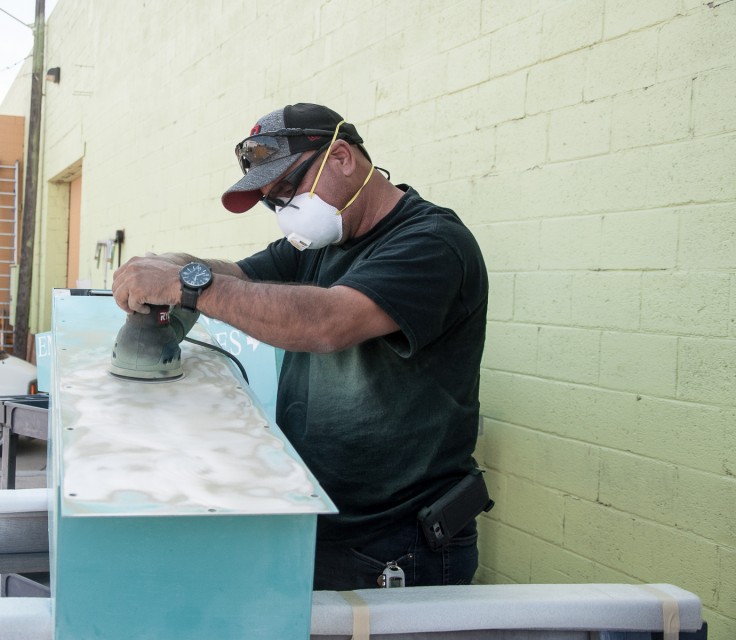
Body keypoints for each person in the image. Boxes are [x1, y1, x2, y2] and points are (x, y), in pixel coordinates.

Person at [111, 103, 488, 591]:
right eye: (273, 201)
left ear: (342, 158)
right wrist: (176, 262)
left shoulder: (433, 243)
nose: (285, 209)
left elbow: (327, 322)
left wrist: (188, 283)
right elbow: (240, 277)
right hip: (322, 521)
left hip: (398, 544)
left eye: (288, 189)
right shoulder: (325, 241)